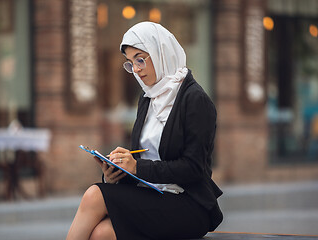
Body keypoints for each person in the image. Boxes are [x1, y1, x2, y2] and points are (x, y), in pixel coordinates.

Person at [66, 21, 223, 240]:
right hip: (152, 196)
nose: (136, 70)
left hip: (188, 204)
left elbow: (194, 168)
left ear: (161, 53)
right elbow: (143, 160)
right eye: (130, 63)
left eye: (140, 59)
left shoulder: (195, 100)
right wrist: (119, 172)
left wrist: (138, 167)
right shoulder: (148, 97)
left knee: (94, 196)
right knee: (101, 233)